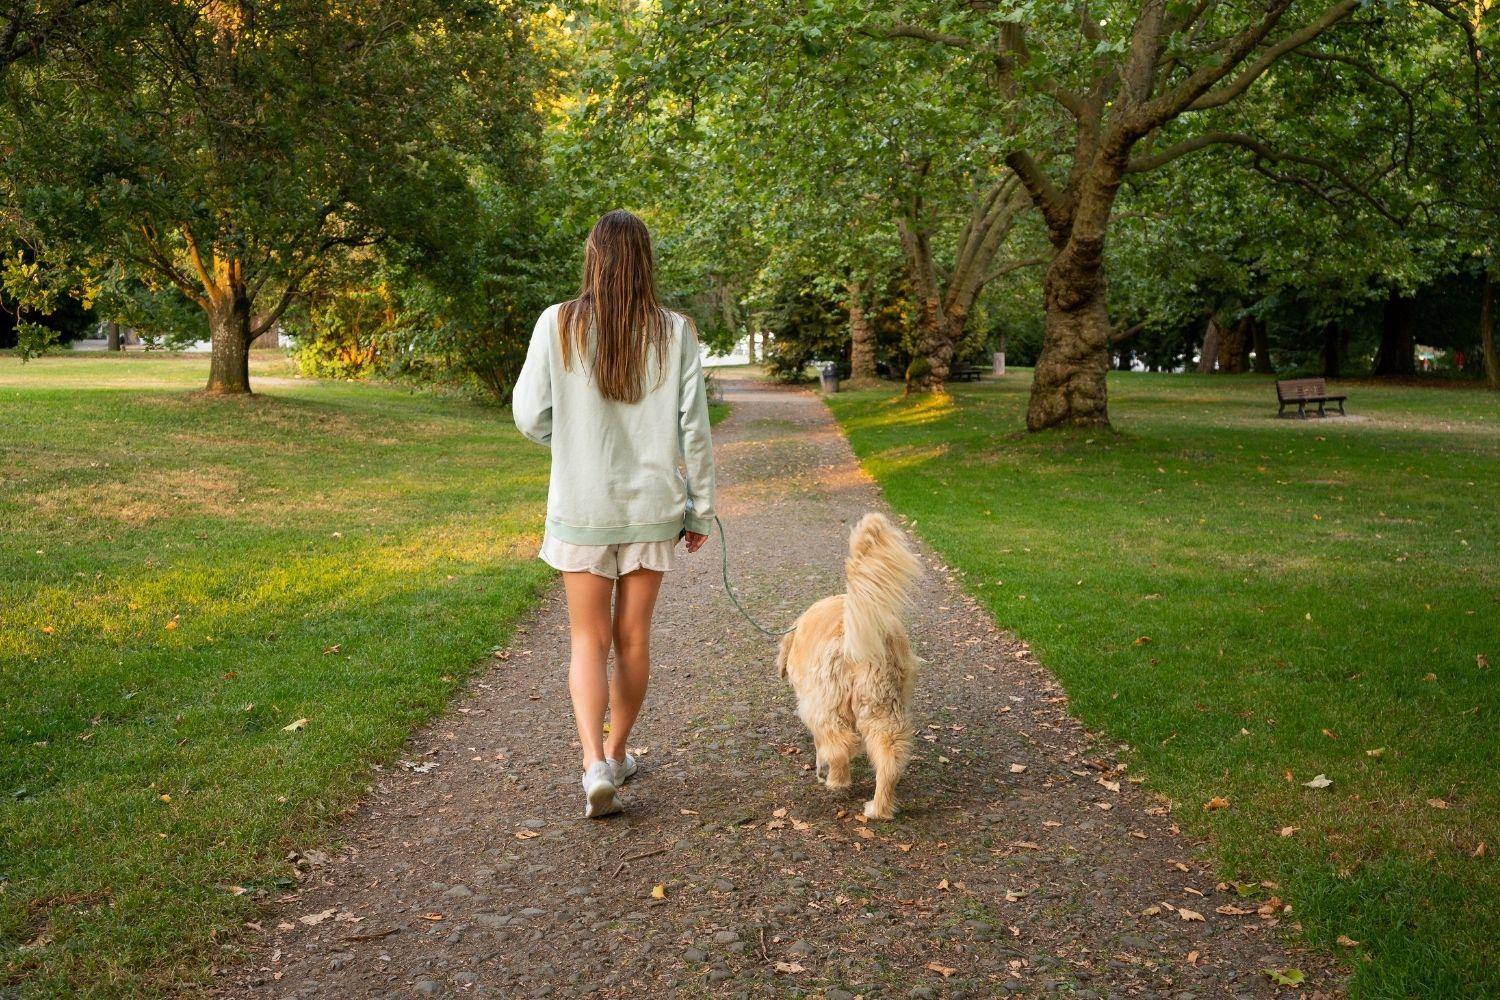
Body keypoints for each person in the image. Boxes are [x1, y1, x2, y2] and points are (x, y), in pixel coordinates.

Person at [512, 210, 716, 818]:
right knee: (632, 638)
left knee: (586, 637)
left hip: (581, 504)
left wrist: (568, 442)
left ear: (593, 258)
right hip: (651, 508)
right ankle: (619, 753)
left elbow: (528, 415)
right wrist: (700, 510)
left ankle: (592, 764)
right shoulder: (675, 331)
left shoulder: (557, 323)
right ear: (645, 261)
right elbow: (695, 432)